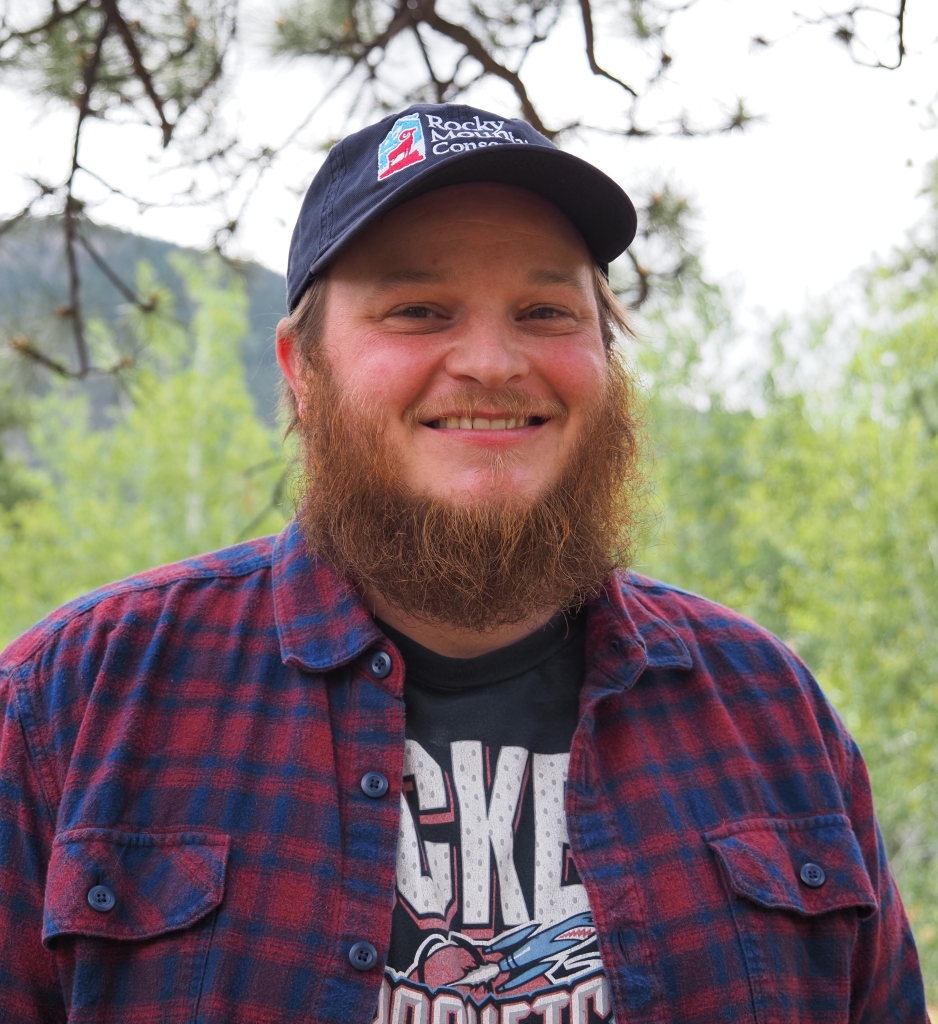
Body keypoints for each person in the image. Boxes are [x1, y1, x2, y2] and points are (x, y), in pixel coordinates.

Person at [0, 103, 928, 1024]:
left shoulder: (771, 713)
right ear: (301, 368)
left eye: (545, 311)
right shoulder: (68, 707)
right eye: (417, 310)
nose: (491, 360)